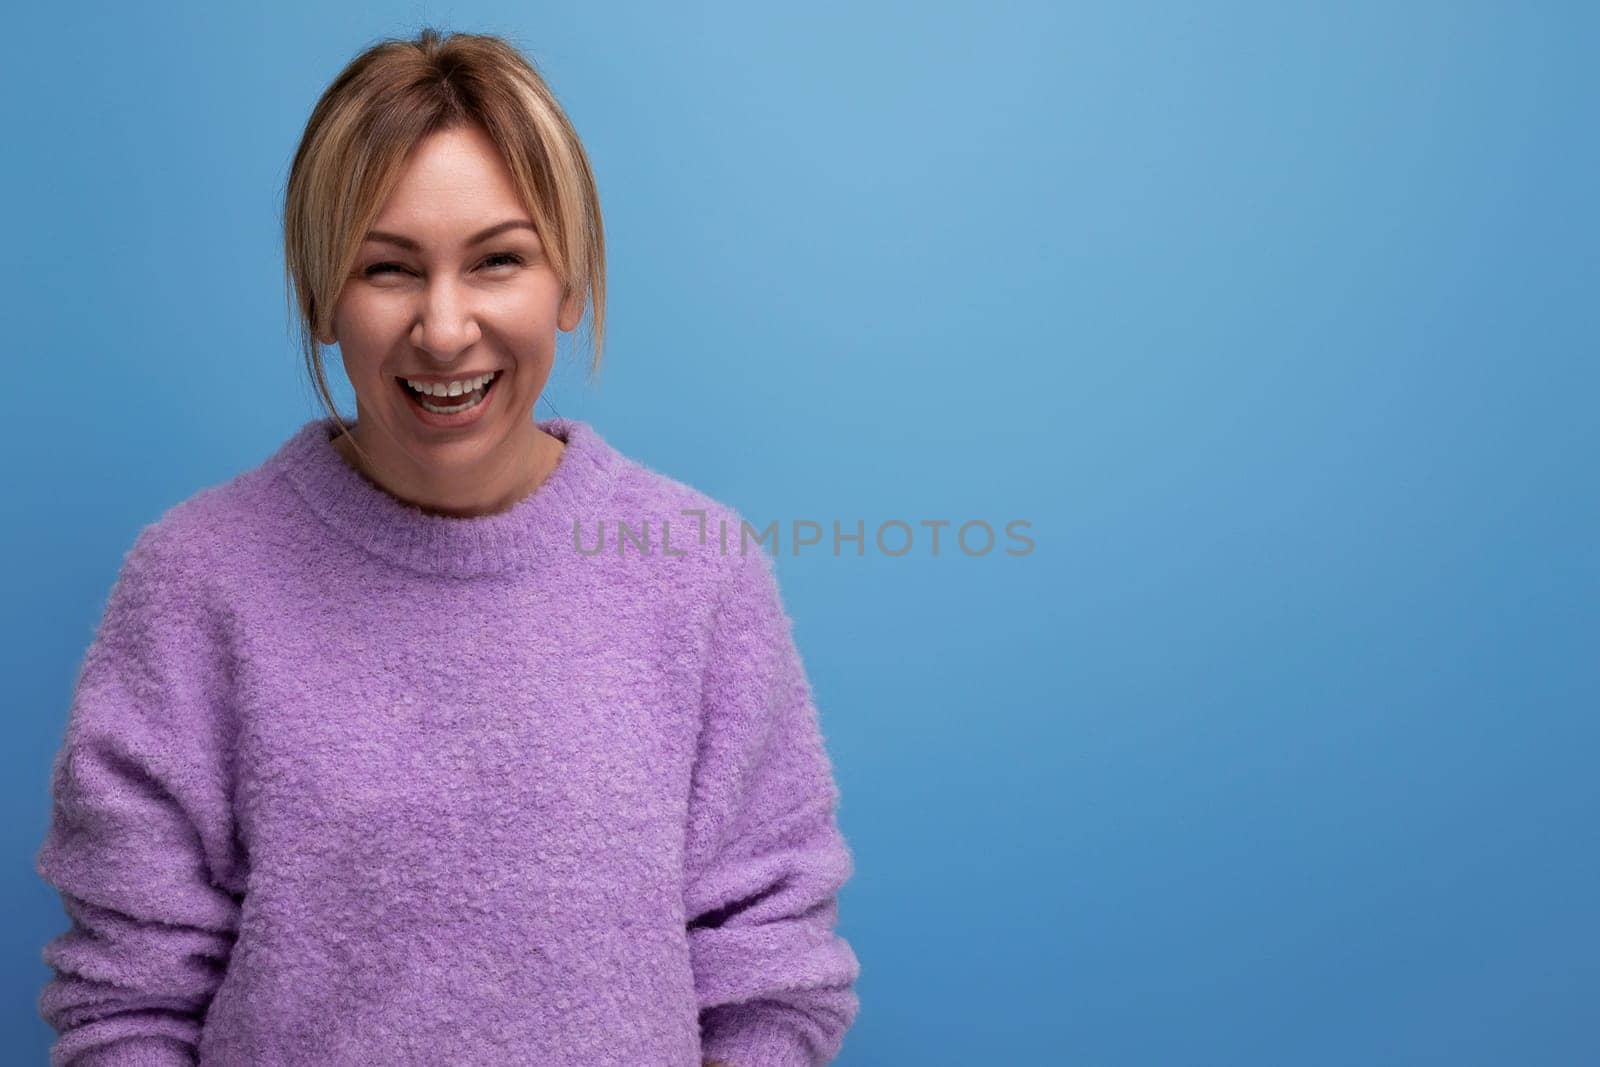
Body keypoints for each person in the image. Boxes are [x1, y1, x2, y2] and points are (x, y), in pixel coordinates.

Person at [34, 27, 859, 1067]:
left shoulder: (698, 568)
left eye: (497, 259)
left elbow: (768, 969)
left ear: (570, 281)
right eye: (388, 269)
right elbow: (129, 1000)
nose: (443, 326)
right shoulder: (196, 578)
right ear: (322, 297)